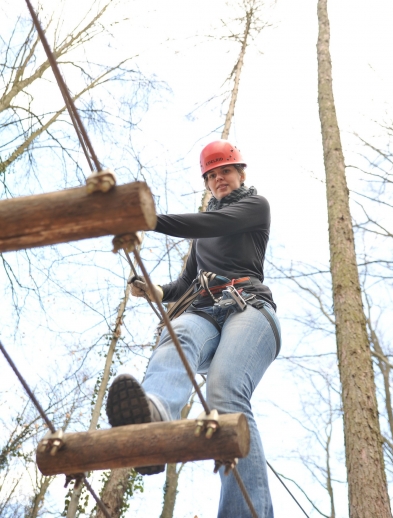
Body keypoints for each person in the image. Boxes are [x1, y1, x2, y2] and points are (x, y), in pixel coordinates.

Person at [106, 139, 281, 518]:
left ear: (241, 174)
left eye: (226, 172)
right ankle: (153, 417)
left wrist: (147, 218)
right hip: (203, 308)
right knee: (178, 334)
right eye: (212, 175)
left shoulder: (254, 206)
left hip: (248, 308)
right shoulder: (202, 236)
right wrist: (156, 291)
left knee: (224, 391)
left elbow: (212, 222)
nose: (220, 179)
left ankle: (244, 512)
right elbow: (188, 280)